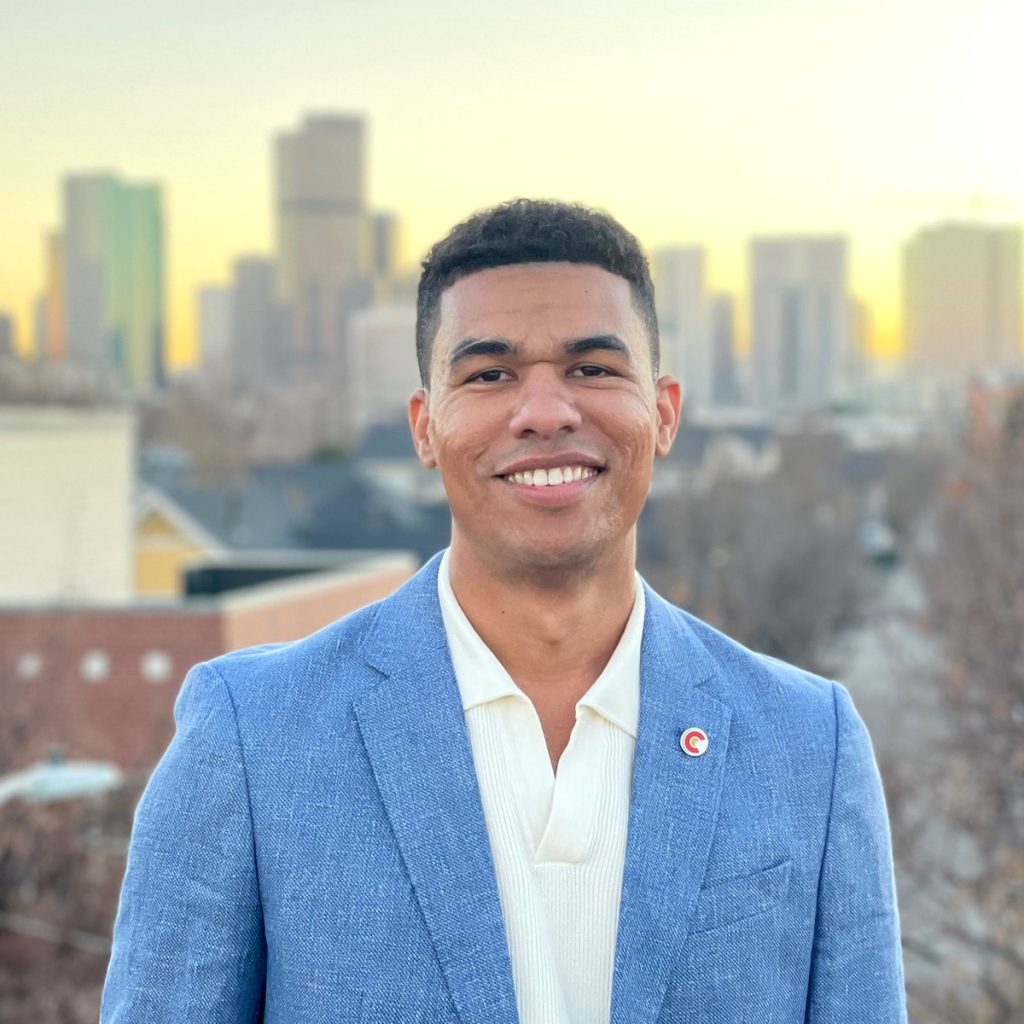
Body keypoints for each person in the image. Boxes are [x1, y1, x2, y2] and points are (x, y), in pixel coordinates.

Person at [101, 199, 907, 1023]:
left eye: (593, 368)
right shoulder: (253, 738)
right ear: (426, 426)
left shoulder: (810, 745)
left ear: (664, 413)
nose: (546, 411)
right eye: (490, 374)